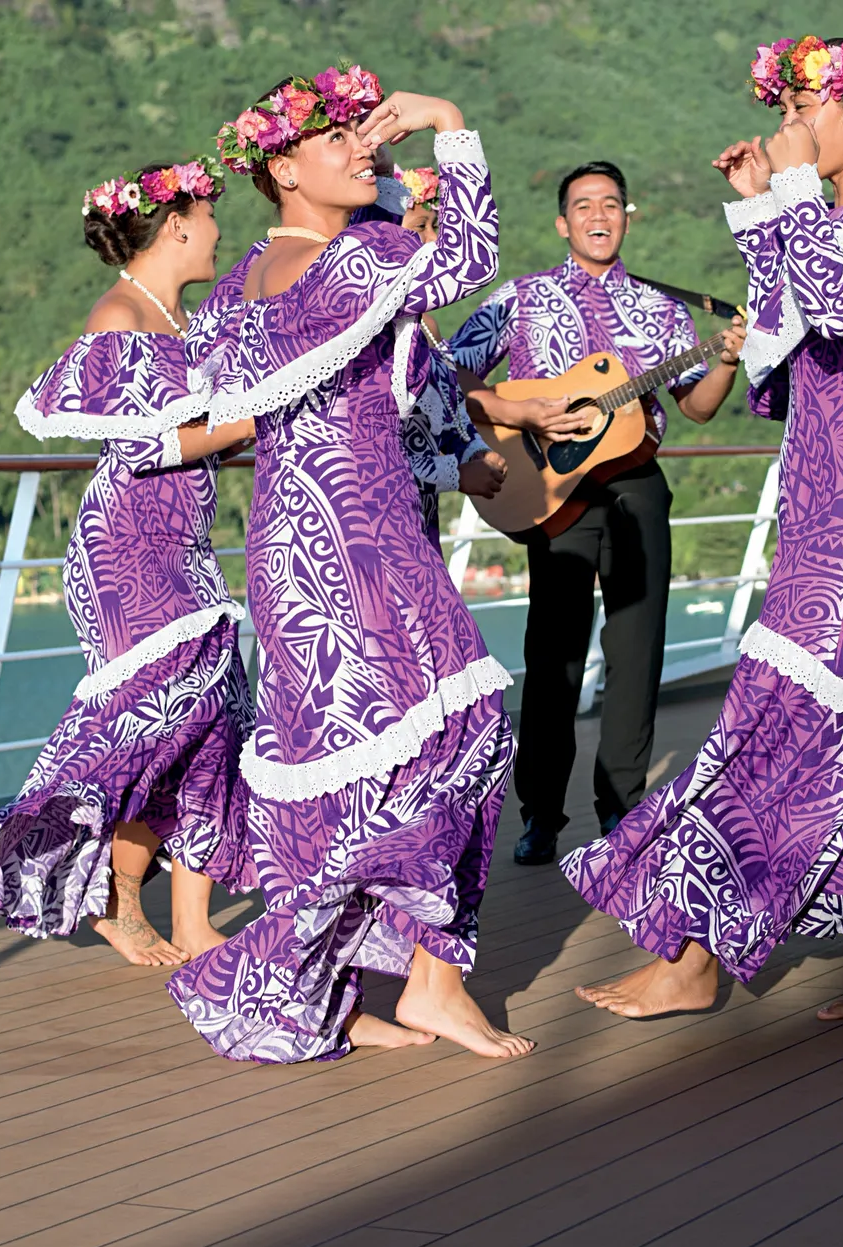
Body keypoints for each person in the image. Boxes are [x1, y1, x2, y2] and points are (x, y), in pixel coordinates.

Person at [560, 36, 843, 1021]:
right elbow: (777, 353)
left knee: (768, 729)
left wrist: (792, 194)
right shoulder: (840, 220)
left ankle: (693, 957)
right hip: (822, 510)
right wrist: (761, 211)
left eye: (804, 106)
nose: (790, 126)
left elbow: (839, 305)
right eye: (786, 109)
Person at [168, 67, 533, 1062]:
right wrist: (449, 121)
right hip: (362, 537)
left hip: (287, 543)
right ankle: (426, 983)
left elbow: (207, 399)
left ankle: (337, 990)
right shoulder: (357, 259)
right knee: (465, 731)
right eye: (336, 139)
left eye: (360, 132)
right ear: (283, 168)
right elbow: (469, 257)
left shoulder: (247, 278)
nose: (363, 146)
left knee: (344, 768)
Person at [0, 158, 255, 966]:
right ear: (175, 225)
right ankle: (89, 882)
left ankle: (186, 918)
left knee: (212, 725)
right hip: (126, 553)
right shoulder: (119, 317)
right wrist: (253, 421)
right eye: (210, 217)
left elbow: (199, 426)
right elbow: (145, 446)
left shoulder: (181, 318)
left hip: (185, 545)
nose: (219, 231)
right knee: (145, 724)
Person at [449, 160, 746, 866]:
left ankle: (621, 808)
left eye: (611, 203)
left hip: (637, 482)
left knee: (637, 651)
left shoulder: (665, 309)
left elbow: (697, 408)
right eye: (583, 205)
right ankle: (540, 815)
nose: (598, 215)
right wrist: (520, 411)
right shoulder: (519, 298)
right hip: (552, 491)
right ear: (563, 222)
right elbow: (451, 372)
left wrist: (729, 360)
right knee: (552, 654)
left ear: (626, 218)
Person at [392, 165, 508, 544]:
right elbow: (366, 456)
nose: (433, 240)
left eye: (435, 227)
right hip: (372, 526)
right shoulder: (359, 330)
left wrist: (476, 451)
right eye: (419, 228)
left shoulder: (427, 325)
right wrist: (455, 475)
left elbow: (454, 415)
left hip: (420, 521)